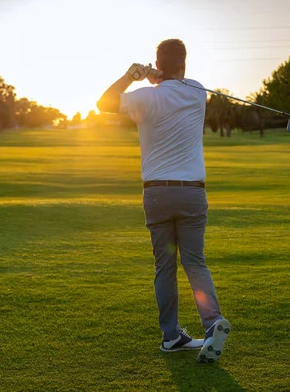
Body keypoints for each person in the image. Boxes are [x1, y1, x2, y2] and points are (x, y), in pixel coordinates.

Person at [97, 39, 230, 363]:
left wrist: (133, 75)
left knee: (164, 266)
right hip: (192, 193)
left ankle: (171, 336)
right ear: (184, 62)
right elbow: (175, 82)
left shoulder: (144, 98)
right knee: (194, 261)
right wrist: (160, 76)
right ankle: (212, 323)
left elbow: (103, 103)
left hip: (156, 193)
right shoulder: (198, 91)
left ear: (157, 64)